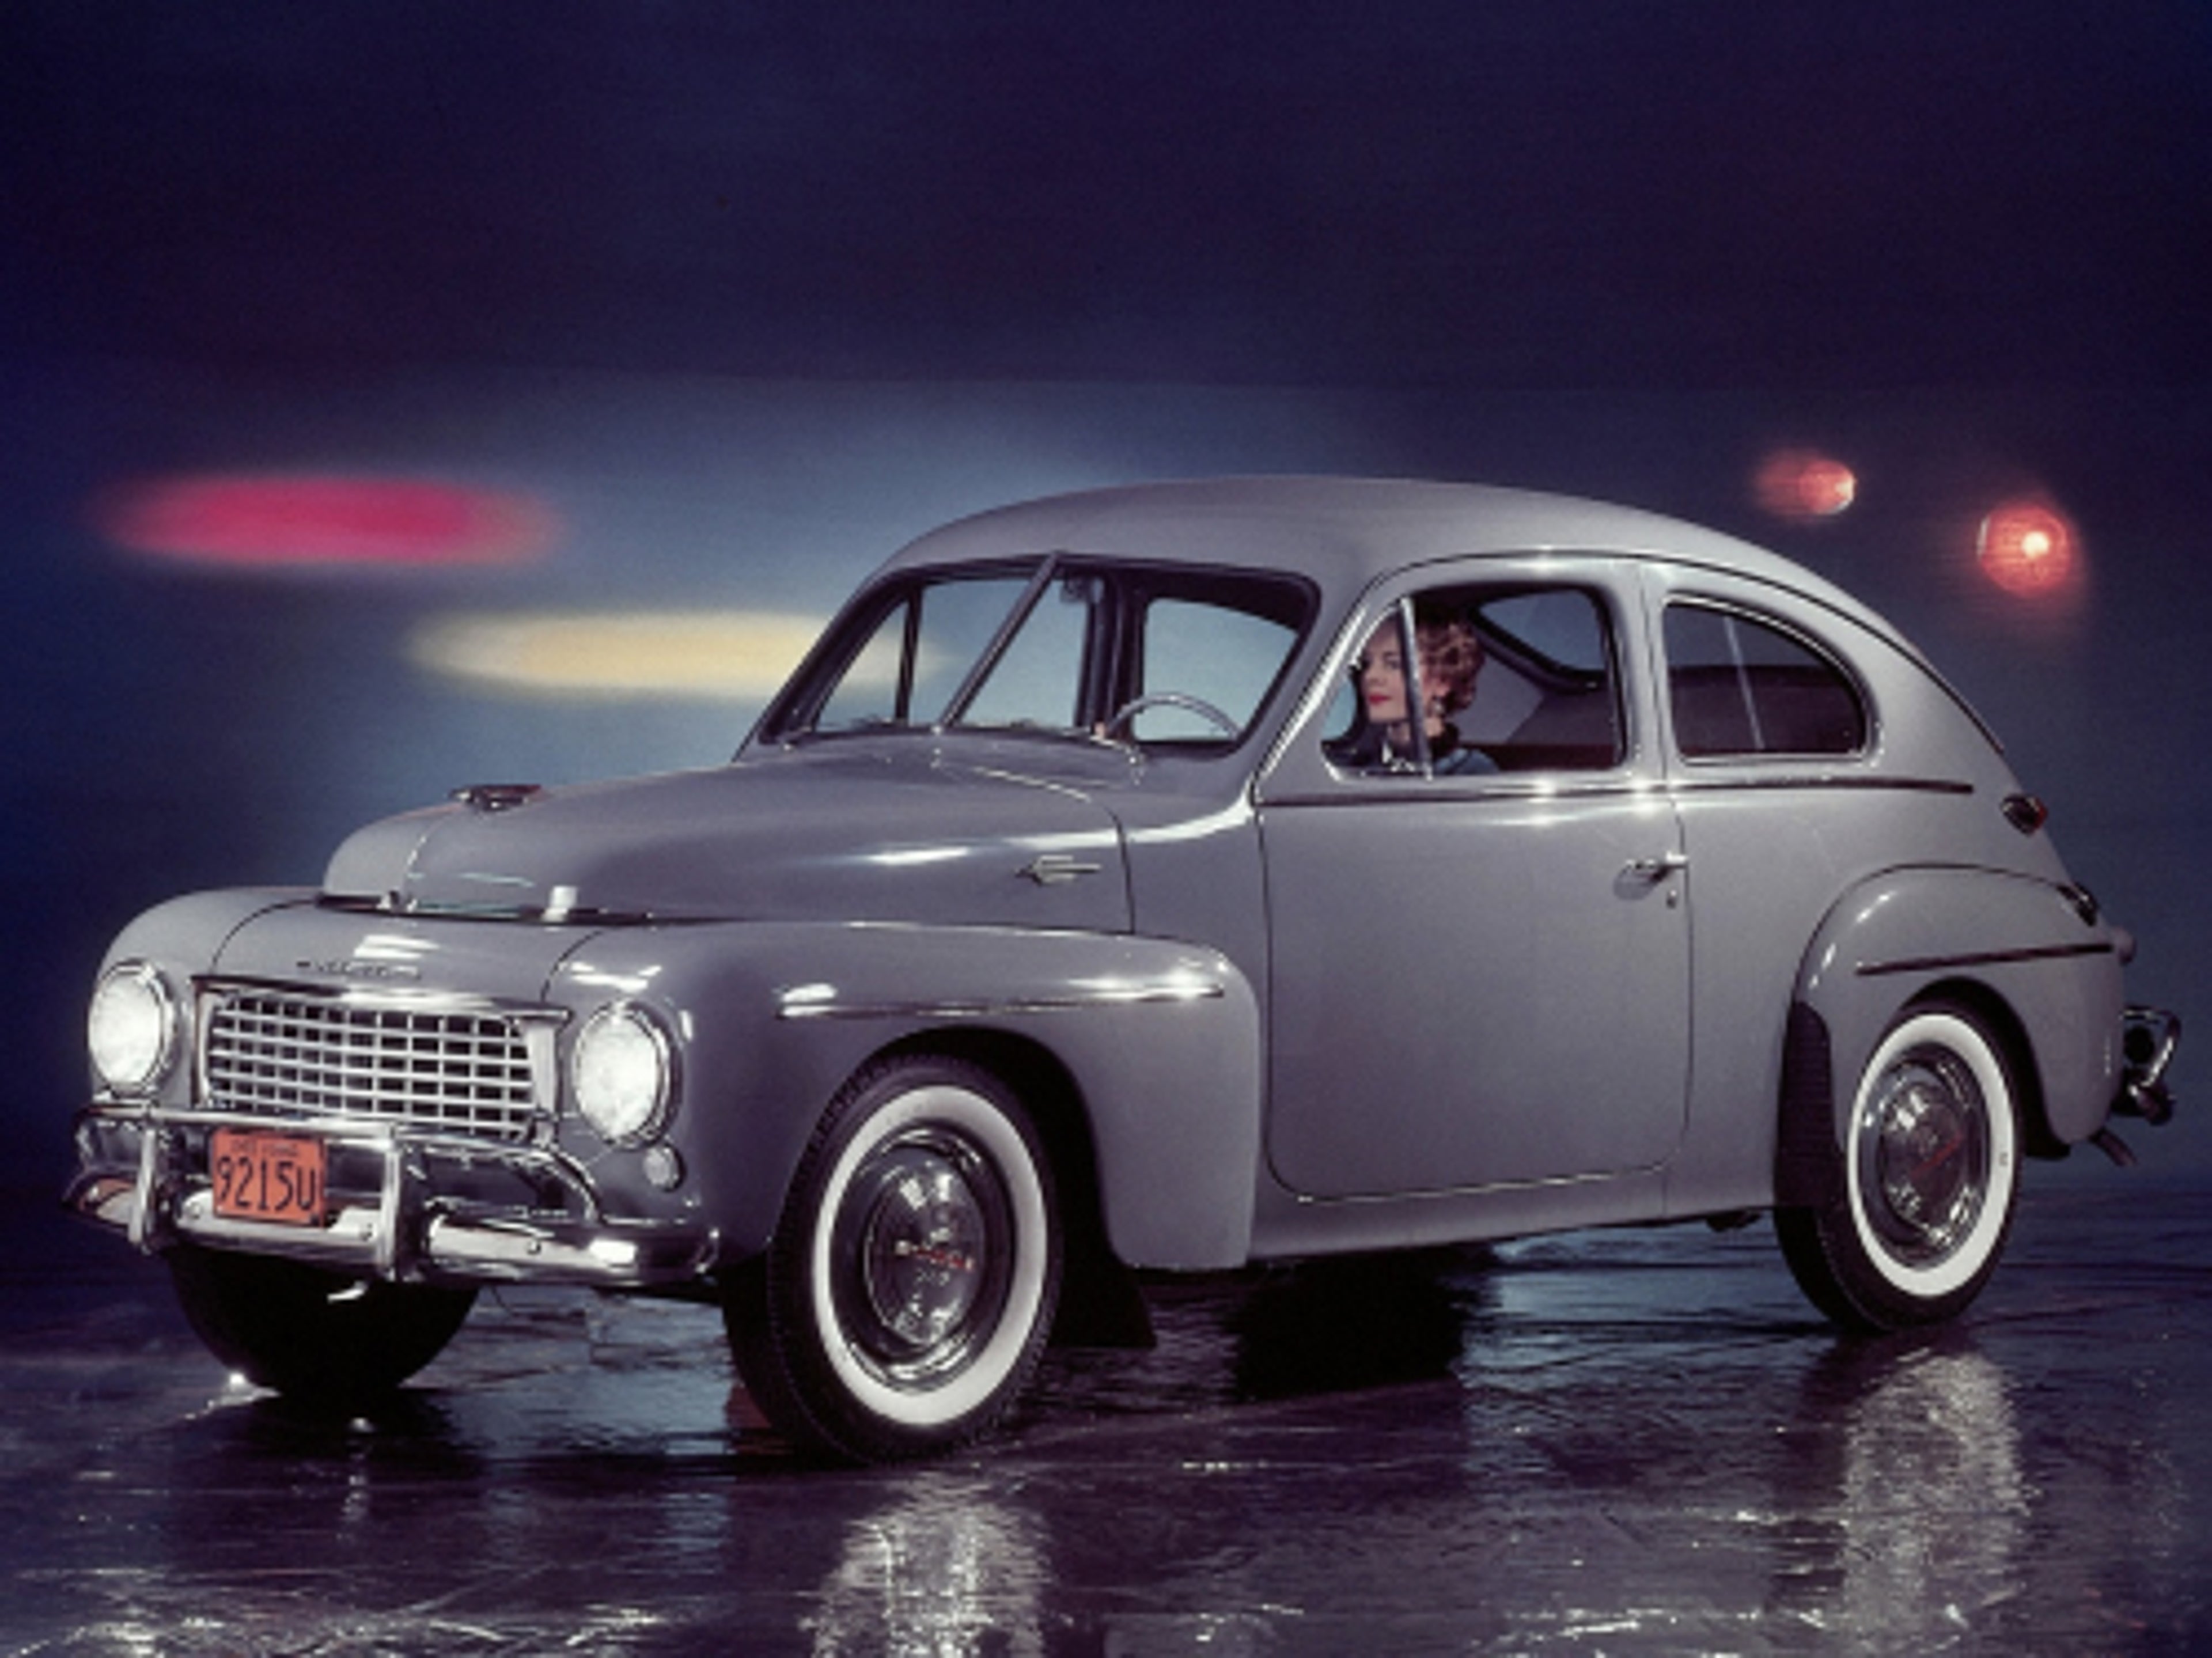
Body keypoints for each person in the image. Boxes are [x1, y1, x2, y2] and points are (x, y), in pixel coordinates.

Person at [1331, 610, 1495, 774]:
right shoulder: (1353, 765)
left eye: (1394, 665)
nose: (1370, 676)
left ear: (1443, 681)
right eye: (1366, 663)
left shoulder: (1470, 771)